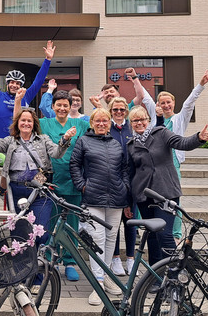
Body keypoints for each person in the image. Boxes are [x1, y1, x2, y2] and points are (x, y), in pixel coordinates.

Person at [16, 87, 88, 281]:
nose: (62, 108)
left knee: (71, 224)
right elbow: (20, 123)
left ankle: (70, 261)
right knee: (47, 223)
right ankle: (47, 260)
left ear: (71, 106)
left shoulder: (80, 124)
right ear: (53, 107)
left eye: (66, 105)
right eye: (59, 105)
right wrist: (18, 101)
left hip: (73, 180)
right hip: (49, 182)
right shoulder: (45, 123)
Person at [0, 108, 74, 247]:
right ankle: (25, 267)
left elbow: (57, 153)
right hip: (16, 191)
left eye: (29, 120)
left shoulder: (43, 139)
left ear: (34, 124)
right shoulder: (10, 141)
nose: (26, 123)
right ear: (17, 123)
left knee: (41, 233)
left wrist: (65, 140)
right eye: (23, 120)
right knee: (19, 235)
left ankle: (38, 260)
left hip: (40, 192)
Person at [126, 106, 208, 267]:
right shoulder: (130, 144)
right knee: (151, 235)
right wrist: (129, 202)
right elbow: (130, 173)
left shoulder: (161, 133)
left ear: (148, 120)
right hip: (144, 195)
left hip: (166, 192)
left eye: (142, 119)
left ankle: (175, 273)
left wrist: (199, 138)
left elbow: (181, 142)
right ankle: (156, 275)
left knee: (164, 234)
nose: (139, 123)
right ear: (131, 124)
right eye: (135, 120)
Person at [70, 107, 133, 306]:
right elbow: (74, 164)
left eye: (105, 121)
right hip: (93, 198)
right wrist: (82, 186)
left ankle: (106, 278)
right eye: (97, 121)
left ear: (109, 123)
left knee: (110, 240)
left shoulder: (115, 144)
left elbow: (124, 168)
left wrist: (125, 187)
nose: (101, 124)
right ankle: (97, 284)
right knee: (96, 240)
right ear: (92, 123)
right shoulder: (83, 141)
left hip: (116, 198)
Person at [156, 69, 208, 239]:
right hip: (157, 163)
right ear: (157, 105)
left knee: (174, 199)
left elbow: (189, 104)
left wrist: (200, 85)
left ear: (173, 103)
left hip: (173, 162)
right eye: (162, 103)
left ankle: (175, 234)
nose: (166, 105)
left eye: (168, 102)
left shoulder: (179, 119)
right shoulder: (154, 121)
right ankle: (160, 230)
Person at [0, 29, 55, 138]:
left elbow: (38, 81)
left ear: (21, 86)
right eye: (12, 82)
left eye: (18, 83)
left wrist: (48, 60)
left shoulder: (25, 97)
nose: (14, 85)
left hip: (17, 145)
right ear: (7, 83)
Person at [106, 96, 137, 277]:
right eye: (115, 110)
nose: (118, 113)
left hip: (132, 182)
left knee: (131, 222)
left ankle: (131, 258)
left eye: (122, 110)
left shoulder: (131, 127)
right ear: (110, 111)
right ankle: (116, 257)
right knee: (115, 222)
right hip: (113, 183)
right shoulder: (106, 127)